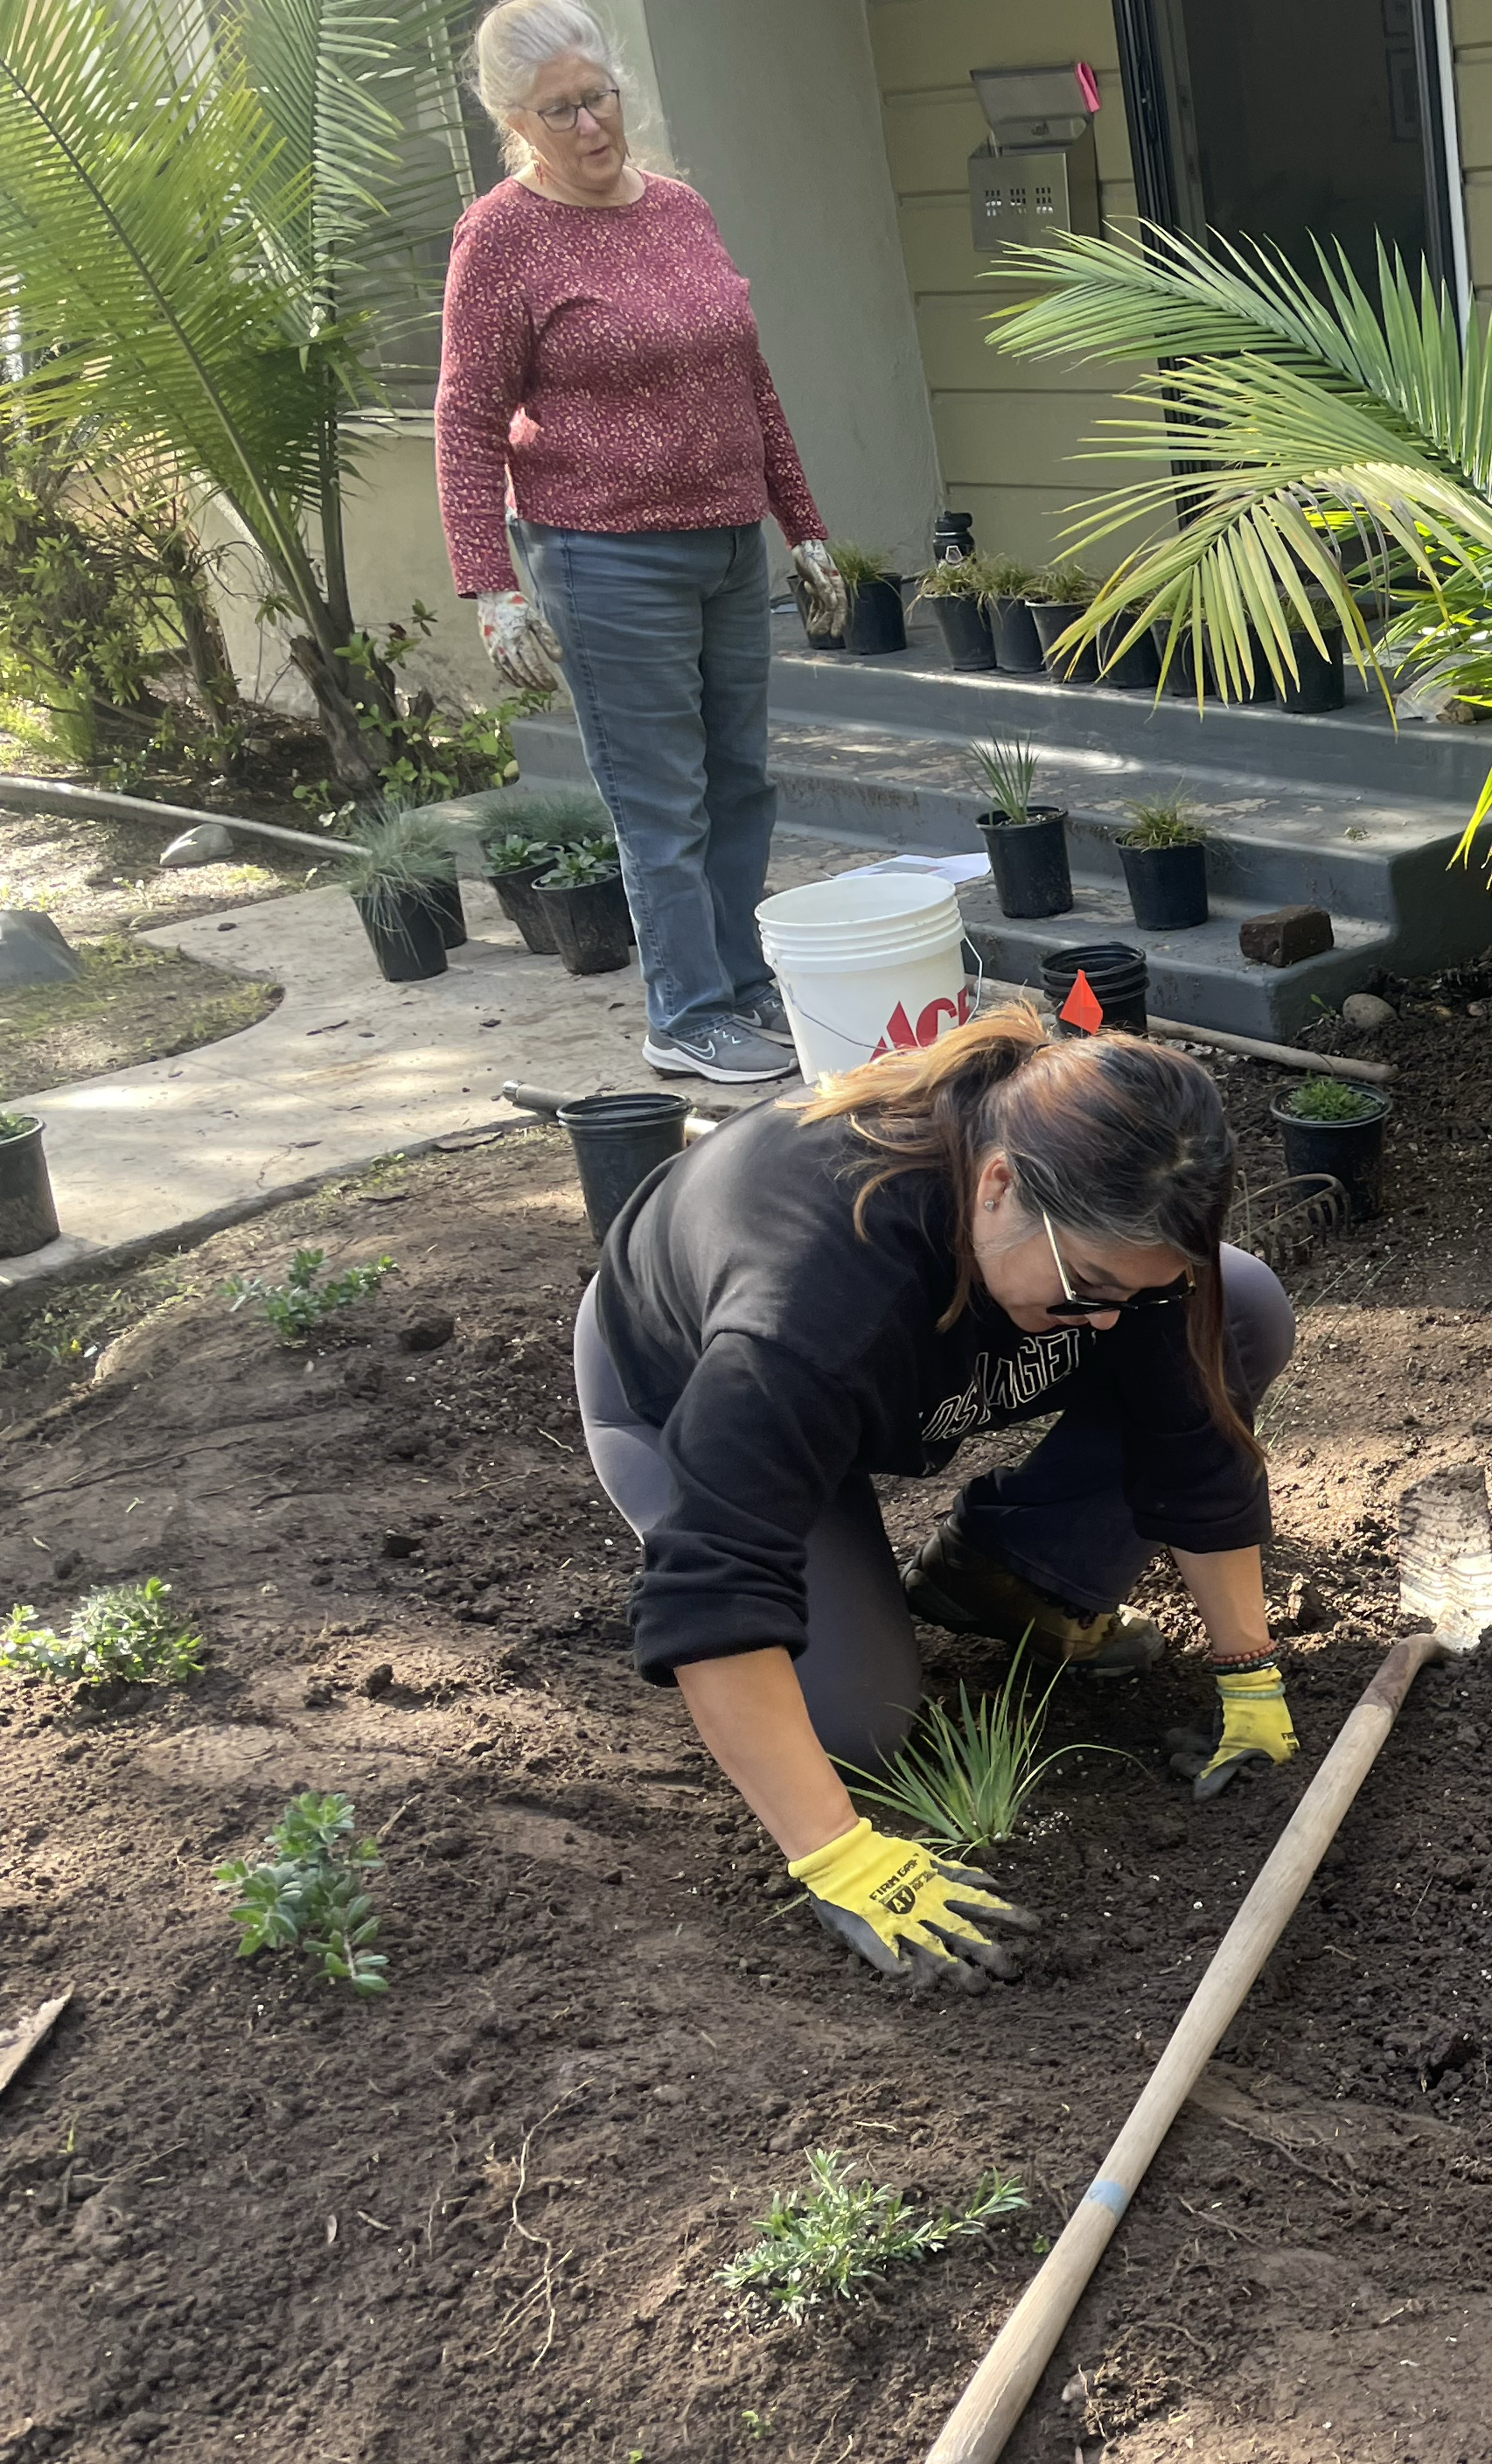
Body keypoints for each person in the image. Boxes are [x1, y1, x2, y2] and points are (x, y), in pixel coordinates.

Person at [572, 1013, 1307, 1986]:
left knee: (1238, 1307)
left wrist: (1248, 1672)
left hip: (890, 1366)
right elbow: (710, 1586)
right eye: (1089, 1286)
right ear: (999, 1185)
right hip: (682, 1391)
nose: (1106, 1318)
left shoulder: (1105, 1249)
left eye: (1133, 1292)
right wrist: (837, 1854)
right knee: (856, 1729)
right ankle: (874, 1595)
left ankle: (1008, 1575)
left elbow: (1193, 1434)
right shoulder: (814, 1309)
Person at [436, 0, 832, 1087]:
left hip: (725, 541)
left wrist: (804, 527)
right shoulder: (502, 235)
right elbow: (468, 420)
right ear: (515, 120)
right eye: (558, 111)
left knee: (741, 781)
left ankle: (744, 984)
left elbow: (748, 380)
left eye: (597, 96)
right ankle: (685, 1011)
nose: (590, 125)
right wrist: (491, 586)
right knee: (663, 799)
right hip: (604, 554)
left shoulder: (682, 209)